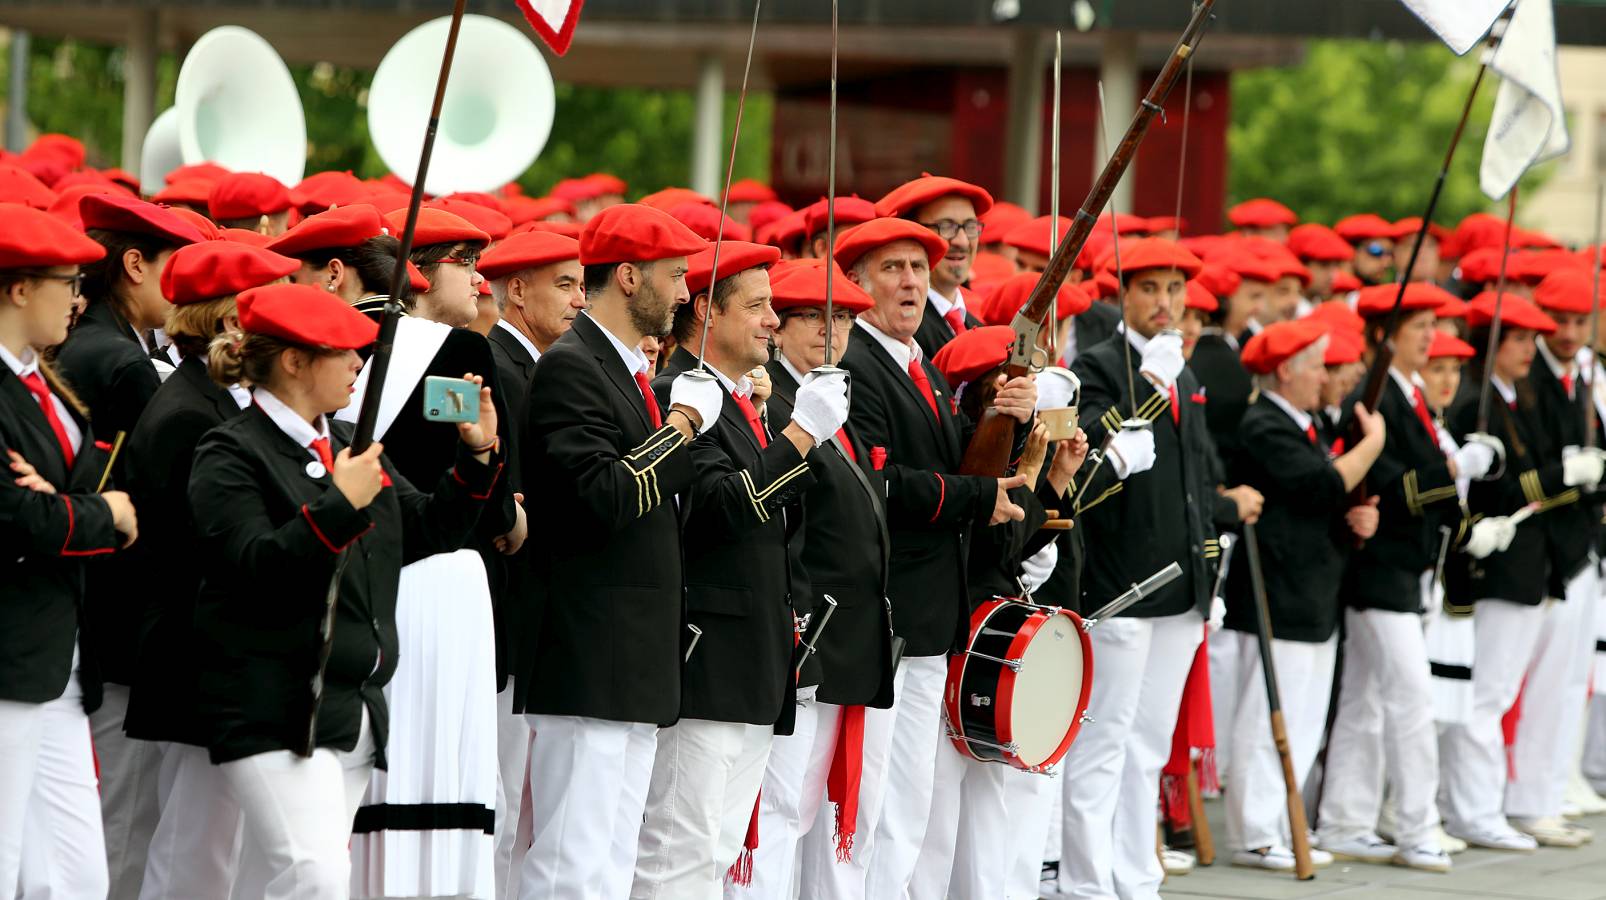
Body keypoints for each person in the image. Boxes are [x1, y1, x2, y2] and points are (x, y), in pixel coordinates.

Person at [187, 282, 501, 900]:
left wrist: (476, 455)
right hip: (273, 703)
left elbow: (428, 530)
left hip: (349, 703)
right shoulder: (231, 449)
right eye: (344, 351)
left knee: (276, 878)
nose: (361, 363)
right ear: (294, 361)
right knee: (317, 876)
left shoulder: (347, 447)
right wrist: (338, 505)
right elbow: (255, 566)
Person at [513, 204, 716, 900]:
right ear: (629, 277)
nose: (685, 292)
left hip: (630, 657)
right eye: (676, 275)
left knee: (610, 863)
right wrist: (680, 430)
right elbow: (602, 495)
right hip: (590, 651)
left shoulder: (624, 372)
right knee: (572, 862)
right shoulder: (572, 366)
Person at [831, 216, 1036, 898]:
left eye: (919, 268)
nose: (911, 282)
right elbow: (878, 484)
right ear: (856, 284)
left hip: (927, 615)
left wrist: (1010, 422)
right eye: (892, 268)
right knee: (875, 801)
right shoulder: (857, 364)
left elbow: (956, 462)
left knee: (911, 800)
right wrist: (977, 495)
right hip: (891, 611)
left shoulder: (914, 361)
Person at [636, 241, 847, 897]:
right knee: (677, 853)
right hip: (707, 662)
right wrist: (800, 436)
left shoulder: (742, 401)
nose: (772, 321)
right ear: (707, 309)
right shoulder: (680, 395)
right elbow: (718, 510)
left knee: (714, 851)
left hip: (751, 661)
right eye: (757, 306)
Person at [1058, 237, 1259, 900]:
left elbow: (1197, 483)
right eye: (1149, 288)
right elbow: (1093, 459)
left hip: (1180, 584)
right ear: (1123, 294)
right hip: (1121, 580)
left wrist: (1208, 574)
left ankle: (1134, 874)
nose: (1164, 302)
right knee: (1103, 740)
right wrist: (1147, 387)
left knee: (1148, 742)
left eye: (1174, 290)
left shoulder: (1185, 372)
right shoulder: (1097, 363)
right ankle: (1087, 881)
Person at [121, 240, 300, 900]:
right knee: (194, 854)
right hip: (197, 661)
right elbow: (195, 554)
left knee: (217, 851)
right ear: (230, 321)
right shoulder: (191, 414)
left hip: (220, 660)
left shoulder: (216, 401)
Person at [346, 207, 515, 900]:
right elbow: (484, 487)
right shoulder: (462, 352)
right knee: (435, 761)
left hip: (364, 574)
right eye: (464, 262)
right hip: (438, 580)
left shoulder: (334, 341)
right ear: (418, 271)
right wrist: (511, 514)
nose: (478, 280)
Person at [51, 191, 205, 900]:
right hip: (119, 625)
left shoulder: (93, 345)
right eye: (177, 266)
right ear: (136, 265)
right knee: (124, 829)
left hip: (86, 617)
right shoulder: (122, 364)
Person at [914, 326, 1089, 900]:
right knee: (938, 811)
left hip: (985, 638)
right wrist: (1034, 473)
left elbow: (1018, 540)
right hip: (957, 635)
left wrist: (1054, 477)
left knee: (985, 807)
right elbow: (996, 543)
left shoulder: (1002, 448)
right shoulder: (966, 448)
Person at [1316, 282, 1487, 864]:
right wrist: (1454, 468)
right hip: (1379, 567)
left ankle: (1345, 820)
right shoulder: (1376, 396)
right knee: (1412, 698)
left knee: (1364, 699)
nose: (1429, 337)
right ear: (1383, 336)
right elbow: (1397, 485)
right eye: (1418, 328)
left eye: (1430, 326)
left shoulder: (1407, 394)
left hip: (1406, 567)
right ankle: (1417, 827)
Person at [742, 260, 897, 900]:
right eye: (812, 316)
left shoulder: (829, 398)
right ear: (778, 326)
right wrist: (803, 628)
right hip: (806, 634)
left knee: (806, 810)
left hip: (840, 638)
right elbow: (782, 522)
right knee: (779, 810)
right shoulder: (783, 405)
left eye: (843, 319)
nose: (831, 331)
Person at [0, 203, 138, 900]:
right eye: (67, 282)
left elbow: (55, 499)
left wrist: (66, 507)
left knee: (77, 876)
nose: (79, 299)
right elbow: (16, 516)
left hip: (56, 654)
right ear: (20, 288)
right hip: (10, 652)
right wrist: (100, 513)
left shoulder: (42, 380)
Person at [1223, 320, 1385, 872]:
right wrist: (1372, 446)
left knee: (1306, 715)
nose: (1325, 376)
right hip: (1279, 591)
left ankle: (1280, 825)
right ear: (1286, 371)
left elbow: (1325, 499)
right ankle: (1254, 832)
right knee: (1269, 717)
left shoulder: (1305, 423)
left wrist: (1356, 518)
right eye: (1316, 366)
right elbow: (1319, 485)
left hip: (1313, 591)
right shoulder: (1265, 424)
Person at [1438, 292, 1584, 853]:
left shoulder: (1517, 395)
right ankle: (1473, 811)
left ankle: (1479, 805)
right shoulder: (1477, 402)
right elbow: (1498, 490)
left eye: (1530, 340)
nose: (1528, 349)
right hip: (1497, 564)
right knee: (1487, 692)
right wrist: (1559, 476)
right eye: (1518, 339)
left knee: (1496, 692)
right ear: (1492, 343)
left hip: (1530, 563)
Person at [475, 227, 584, 896]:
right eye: (564, 284)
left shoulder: (534, 366)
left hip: (530, 620)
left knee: (521, 809)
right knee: (501, 803)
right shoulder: (501, 366)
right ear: (517, 290)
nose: (579, 299)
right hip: (508, 613)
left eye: (580, 284)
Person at [874, 175, 992, 357]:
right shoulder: (900, 328)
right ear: (911, 235)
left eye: (970, 226)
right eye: (946, 227)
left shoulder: (976, 326)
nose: (962, 241)